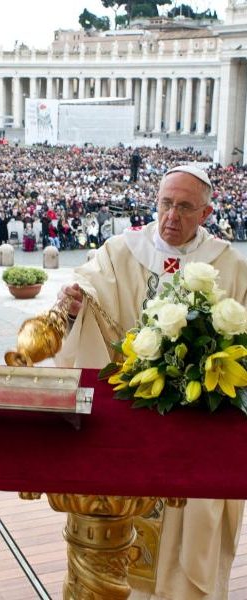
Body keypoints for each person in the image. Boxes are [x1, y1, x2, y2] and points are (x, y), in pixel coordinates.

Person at [56, 165, 247, 600]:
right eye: (164, 204)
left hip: (195, 429)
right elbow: (87, 302)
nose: (170, 217)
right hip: (129, 424)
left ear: (206, 213)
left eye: (184, 207)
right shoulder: (120, 251)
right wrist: (73, 308)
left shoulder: (228, 265)